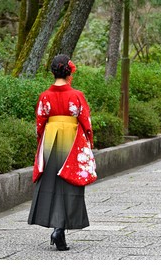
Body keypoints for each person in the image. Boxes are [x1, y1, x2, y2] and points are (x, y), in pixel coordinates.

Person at [28, 54, 97, 251]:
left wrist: (42, 141)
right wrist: (88, 141)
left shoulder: (45, 96)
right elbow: (86, 122)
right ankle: (60, 229)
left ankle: (57, 227)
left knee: (52, 182)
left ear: (53, 72)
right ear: (69, 72)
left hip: (50, 138)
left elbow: (40, 123)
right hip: (72, 138)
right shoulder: (77, 95)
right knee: (70, 182)